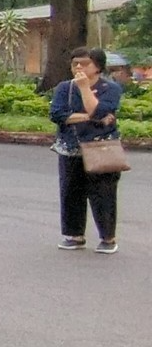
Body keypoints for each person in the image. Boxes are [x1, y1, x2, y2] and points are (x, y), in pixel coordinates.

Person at [51, 46, 123, 254]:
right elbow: (58, 114)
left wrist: (84, 89)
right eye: (75, 64)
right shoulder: (65, 88)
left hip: (102, 148)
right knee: (71, 192)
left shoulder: (111, 88)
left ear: (98, 66)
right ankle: (74, 235)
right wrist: (90, 117)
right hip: (71, 148)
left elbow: (100, 109)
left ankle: (108, 238)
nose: (79, 67)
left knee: (104, 193)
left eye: (85, 63)